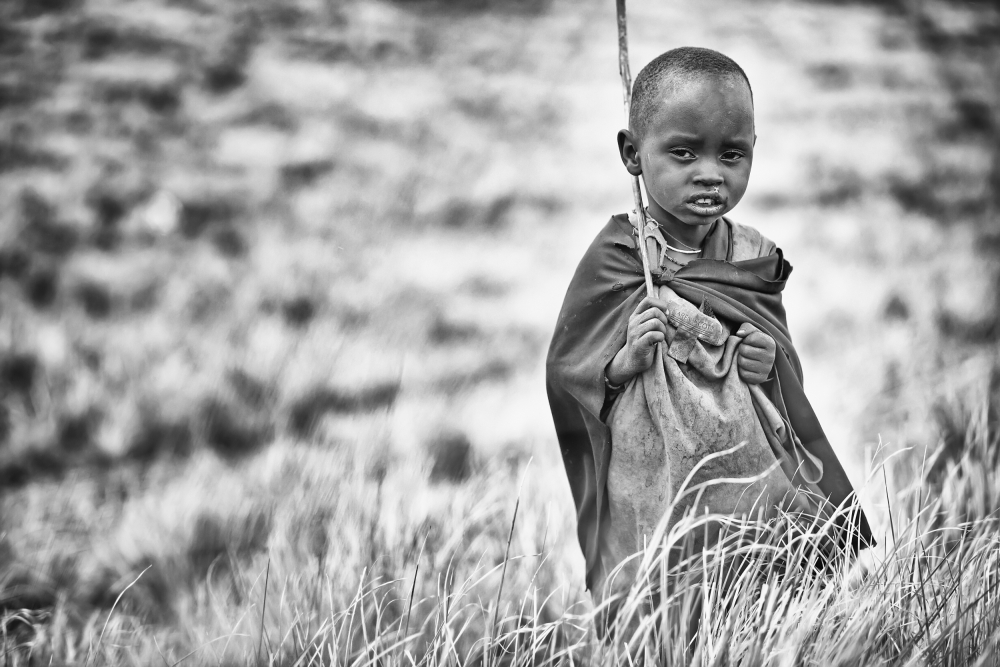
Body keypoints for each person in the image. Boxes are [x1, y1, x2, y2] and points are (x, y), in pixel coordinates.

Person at [545, 46, 873, 632]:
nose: (710, 173)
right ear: (632, 154)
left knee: (760, 601)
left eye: (732, 154)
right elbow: (569, 372)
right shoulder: (620, 256)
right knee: (658, 609)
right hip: (653, 469)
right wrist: (623, 361)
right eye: (683, 152)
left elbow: (781, 363)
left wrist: (767, 360)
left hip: (746, 464)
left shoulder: (751, 254)